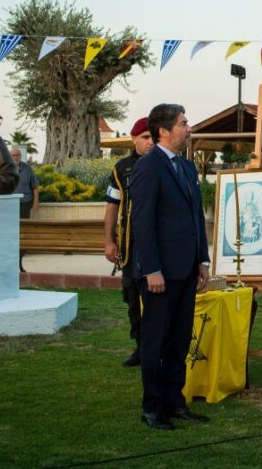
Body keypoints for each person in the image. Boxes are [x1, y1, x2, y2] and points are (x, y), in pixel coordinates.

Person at [129, 103, 210, 431]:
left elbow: (196, 217)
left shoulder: (187, 167)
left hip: (187, 269)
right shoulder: (148, 167)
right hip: (160, 273)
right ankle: (152, 407)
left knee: (179, 339)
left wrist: (202, 260)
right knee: (155, 341)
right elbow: (143, 222)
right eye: (183, 123)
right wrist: (151, 269)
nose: (189, 129)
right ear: (164, 130)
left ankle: (175, 401)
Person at [104, 116, 153, 368]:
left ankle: (157, 349)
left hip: (156, 244)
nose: (151, 142)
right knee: (132, 296)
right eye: (145, 137)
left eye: (154, 137)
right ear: (134, 139)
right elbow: (112, 206)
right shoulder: (121, 169)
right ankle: (140, 347)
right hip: (129, 245)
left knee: (155, 297)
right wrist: (109, 241)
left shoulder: (164, 164)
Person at [11, 149, 40, 219]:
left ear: (20, 156)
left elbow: (35, 186)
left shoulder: (28, 168)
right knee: (10, 224)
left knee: (24, 224)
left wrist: (36, 201)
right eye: (13, 155)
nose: (16, 157)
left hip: (25, 203)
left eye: (17, 155)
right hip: (10, 203)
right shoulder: (5, 168)